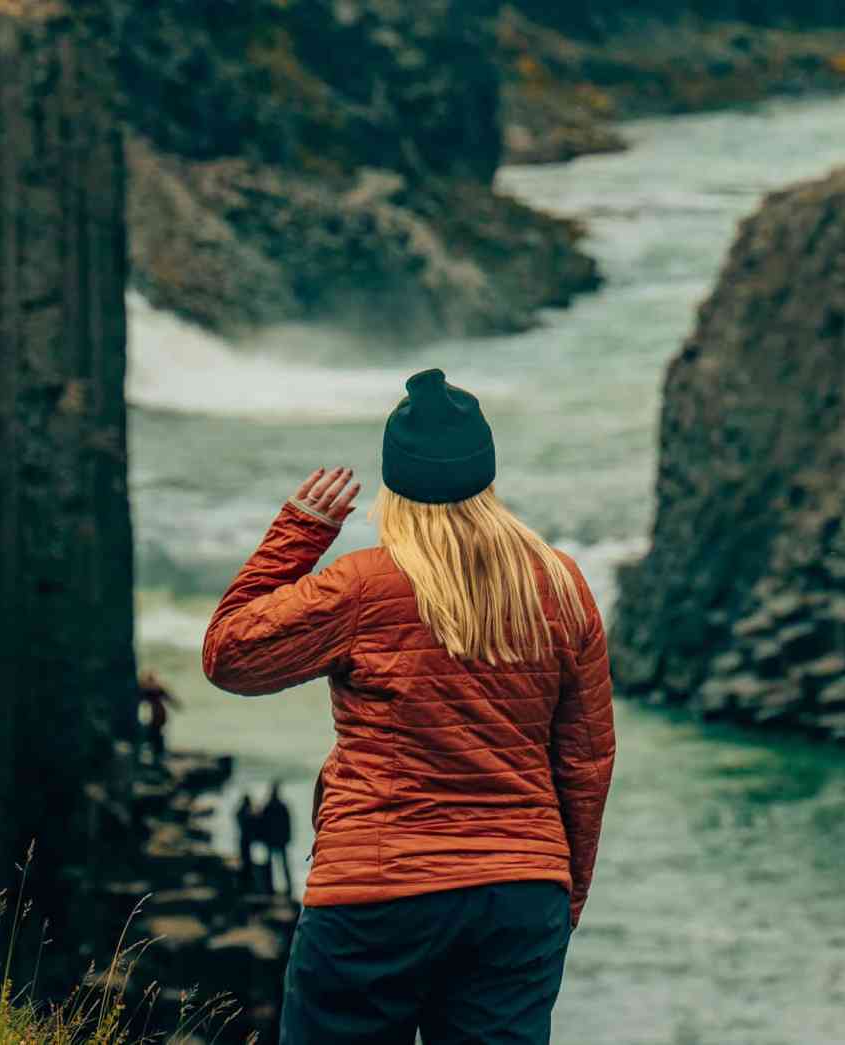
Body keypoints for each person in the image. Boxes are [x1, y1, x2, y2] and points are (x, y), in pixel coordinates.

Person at [202, 369, 615, 1045]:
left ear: (397, 482)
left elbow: (228, 654)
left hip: (375, 889)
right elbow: (588, 762)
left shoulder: (361, 586)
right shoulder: (560, 584)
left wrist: (299, 534)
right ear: (485, 477)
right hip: (518, 891)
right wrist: (565, 888)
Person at [137, 671, 181, 761]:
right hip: (158, 714)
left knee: (154, 733)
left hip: (157, 714)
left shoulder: (150, 689)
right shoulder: (156, 688)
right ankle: (158, 753)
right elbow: (171, 700)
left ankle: (157, 753)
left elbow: (170, 699)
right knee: (155, 733)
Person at [259, 781, 294, 895]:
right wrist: (288, 837)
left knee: (272, 865)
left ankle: (269, 887)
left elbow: (262, 824)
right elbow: (288, 824)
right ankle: (289, 888)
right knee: (283, 865)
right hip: (279, 840)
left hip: (272, 840)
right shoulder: (282, 806)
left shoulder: (267, 806)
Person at [235, 793, 260, 891]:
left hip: (243, 840)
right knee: (247, 862)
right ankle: (248, 883)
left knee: (245, 861)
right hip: (247, 841)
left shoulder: (241, 812)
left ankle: (246, 883)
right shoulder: (246, 813)